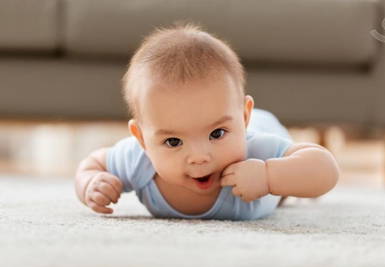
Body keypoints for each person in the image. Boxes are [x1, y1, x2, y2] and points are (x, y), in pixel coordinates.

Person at [74, 23, 340, 220]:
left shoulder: (256, 152)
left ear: (243, 116)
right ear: (142, 138)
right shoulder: (139, 160)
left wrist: (269, 177)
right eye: (174, 141)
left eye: (217, 134)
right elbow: (94, 163)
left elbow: (326, 170)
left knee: (294, 186)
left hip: (265, 124)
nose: (200, 157)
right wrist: (91, 182)